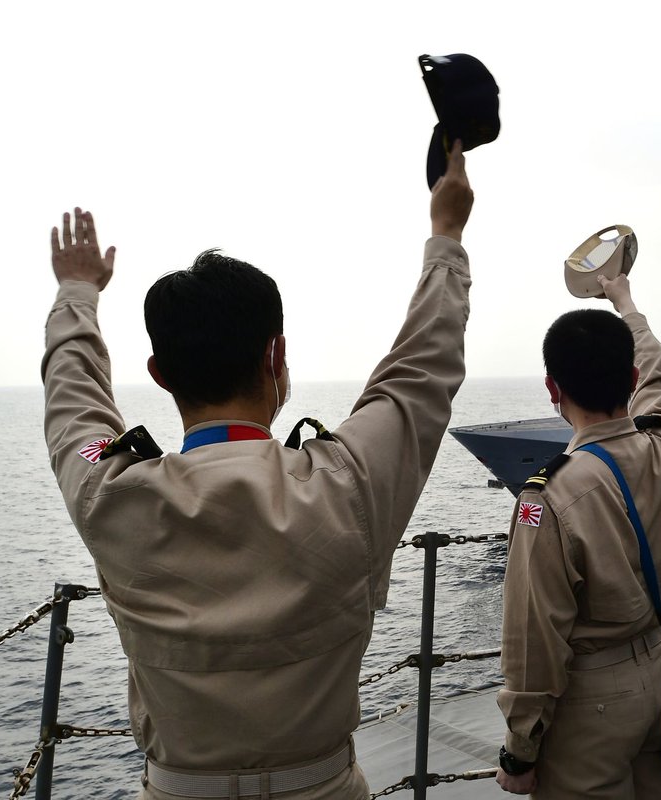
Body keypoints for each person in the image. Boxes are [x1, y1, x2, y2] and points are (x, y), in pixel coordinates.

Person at [41, 144, 475, 799]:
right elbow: (422, 368)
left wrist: (77, 292)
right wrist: (446, 235)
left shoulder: (109, 492)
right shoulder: (347, 484)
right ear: (277, 354)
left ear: (160, 375)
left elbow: (72, 403)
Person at [495, 274, 661, 799]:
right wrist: (625, 303)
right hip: (658, 673)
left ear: (552, 389)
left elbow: (533, 638)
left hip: (591, 704)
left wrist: (520, 749)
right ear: (631, 378)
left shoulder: (549, 497)